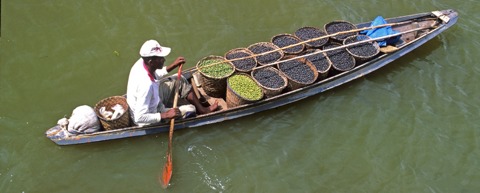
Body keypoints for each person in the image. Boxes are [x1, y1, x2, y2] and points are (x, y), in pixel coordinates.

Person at [126, 40, 218, 126]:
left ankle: (202, 110)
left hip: (153, 100)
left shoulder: (142, 62)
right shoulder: (146, 85)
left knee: (180, 79)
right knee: (191, 109)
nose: (164, 60)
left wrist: (172, 66)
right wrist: (164, 115)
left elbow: (155, 73)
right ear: (151, 62)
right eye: (160, 58)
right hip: (148, 118)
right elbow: (139, 117)